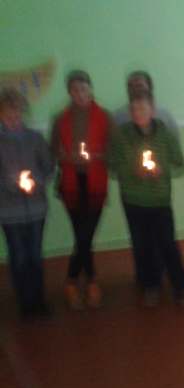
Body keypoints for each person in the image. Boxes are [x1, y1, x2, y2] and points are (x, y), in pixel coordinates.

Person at [109, 90, 184, 310]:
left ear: (153, 110)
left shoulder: (164, 134)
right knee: (142, 247)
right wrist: (133, 171)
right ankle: (151, 287)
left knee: (168, 245)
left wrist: (162, 170)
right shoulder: (122, 134)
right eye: (134, 109)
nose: (138, 113)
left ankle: (182, 288)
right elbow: (112, 165)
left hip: (159, 200)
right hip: (133, 201)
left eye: (143, 108)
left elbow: (180, 165)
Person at [51, 70, 112, 310]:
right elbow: (53, 151)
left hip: (95, 183)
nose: (80, 94)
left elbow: (113, 150)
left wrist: (96, 156)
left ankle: (72, 280)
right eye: (75, 90)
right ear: (69, 92)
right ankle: (91, 281)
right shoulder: (60, 119)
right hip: (71, 184)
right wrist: (66, 157)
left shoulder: (104, 117)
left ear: (90, 89)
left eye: (83, 89)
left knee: (85, 236)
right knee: (82, 235)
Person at [0, 88, 54, 319]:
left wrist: (36, 183)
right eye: (8, 113)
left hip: (36, 209)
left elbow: (48, 167)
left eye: (17, 112)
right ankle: (25, 302)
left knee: (35, 255)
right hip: (8, 211)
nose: (14, 117)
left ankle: (39, 300)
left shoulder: (35, 138)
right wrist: (14, 185)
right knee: (19, 256)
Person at [113, 71, 179, 138]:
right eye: (130, 86)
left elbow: (174, 140)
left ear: (150, 87)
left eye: (139, 86)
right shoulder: (119, 117)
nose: (135, 89)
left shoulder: (164, 116)